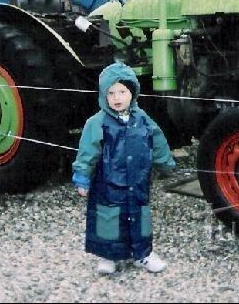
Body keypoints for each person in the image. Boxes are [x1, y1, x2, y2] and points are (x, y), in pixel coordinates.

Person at [72, 61, 176, 275]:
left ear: (133, 92)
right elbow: (87, 150)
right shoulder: (97, 122)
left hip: (137, 181)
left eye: (122, 91)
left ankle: (143, 254)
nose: (117, 98)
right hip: (108, 182)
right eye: (111, 93)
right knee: (109, 216)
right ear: (104, 96)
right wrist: (82, 175)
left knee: (140, 215)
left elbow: (157, 139)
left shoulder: (142, 118)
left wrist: (164, 161)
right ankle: (108, 255)